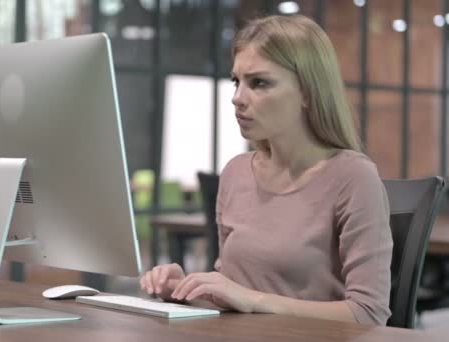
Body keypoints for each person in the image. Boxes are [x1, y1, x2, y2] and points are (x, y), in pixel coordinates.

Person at [140, 14, 393, 326]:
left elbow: (369, 314)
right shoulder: (235, 173)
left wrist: (254, 300)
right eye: (236, 81)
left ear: (307, 92)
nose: (237, 98)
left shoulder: (354, 178)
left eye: (259, 83)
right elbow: (233, 295)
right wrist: (183, 288)